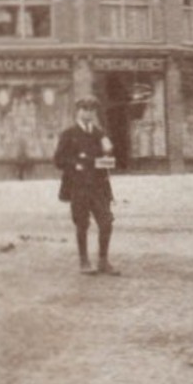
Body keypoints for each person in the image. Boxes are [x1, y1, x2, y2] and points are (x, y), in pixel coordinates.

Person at [53, 97, 119, 276]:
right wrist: (77, 164)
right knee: (82, 223)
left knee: (106, 222)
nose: (88, 112)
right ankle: (84, 261)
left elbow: (108, 160)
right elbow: (58, 160)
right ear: (78, 111)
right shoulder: (69, 134)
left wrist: (107, 157)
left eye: (91, 109)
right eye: (84, 108)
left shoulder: (99, 134)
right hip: (79, 186)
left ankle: (103, 261)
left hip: (99, 186)